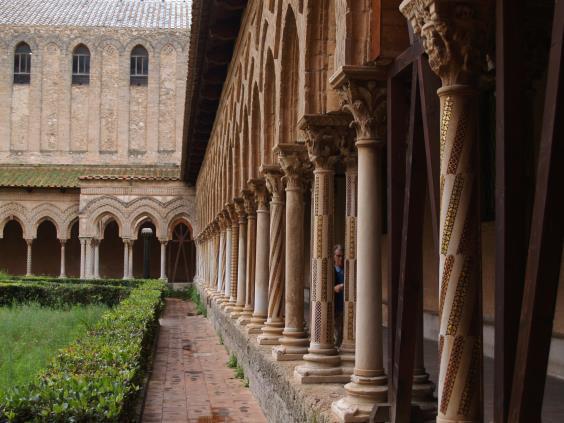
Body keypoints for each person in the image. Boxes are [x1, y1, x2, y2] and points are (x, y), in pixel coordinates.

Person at [333, 244, 344, 348]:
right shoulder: (331, 271)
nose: (340, 258)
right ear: (333, 256)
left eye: (342, 256)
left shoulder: (346, 271)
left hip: (345, 308)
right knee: (336, 334)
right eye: (338, 256)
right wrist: (336, 288)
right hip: (335, 308)